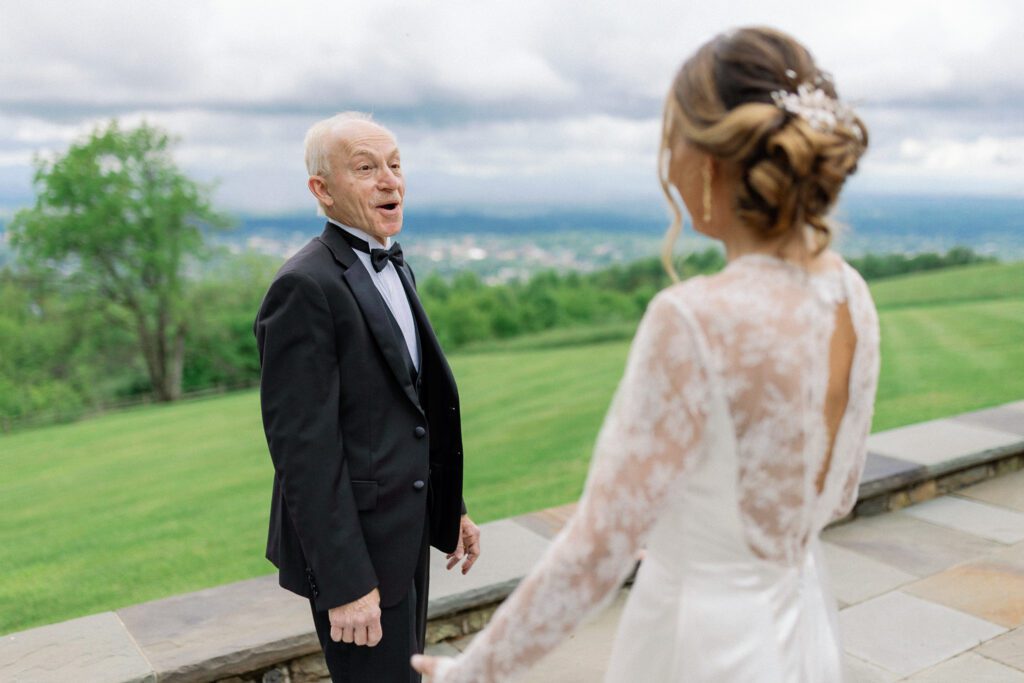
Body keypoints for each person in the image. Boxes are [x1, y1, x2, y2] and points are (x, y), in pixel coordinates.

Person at [412, 26, 877, 682]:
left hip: (698, 644)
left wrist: (473, 669)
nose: (667, 157)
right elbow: (840, 494)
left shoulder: (694, 319)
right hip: (800, 627)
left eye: (674, 134)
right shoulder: (850, 294)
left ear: (712, 158)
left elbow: (599, 548)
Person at [254, 112, 481, 683]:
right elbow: (305, 453)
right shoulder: (304, 286)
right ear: (322, 190)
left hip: (404, 534)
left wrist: (447, 507)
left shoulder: (389, 262)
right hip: (358, 556)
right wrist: (347, 584)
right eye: (366, 168)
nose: (390, 180)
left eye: (396, 164)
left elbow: (404, 411)